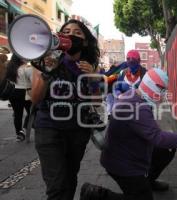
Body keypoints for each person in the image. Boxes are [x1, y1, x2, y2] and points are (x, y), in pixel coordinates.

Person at [80, 68, 177, 200]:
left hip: (123, 153)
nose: (163, 95)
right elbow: (158, 137)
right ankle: (95, 194)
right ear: (152, 87)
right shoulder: (139, 107)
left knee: (167, 150)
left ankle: (147, 182)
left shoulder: (134, 95)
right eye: (162, 90)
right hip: (121, 164)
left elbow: (151, 133)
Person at [31, 19, 100, 200]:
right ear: (59, 37)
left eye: (77, 33)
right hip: (48, 129)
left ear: (85, 41)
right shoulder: (43, 59)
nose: (71, 35)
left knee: (70, 179)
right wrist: (47, 72)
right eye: (66, 31)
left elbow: (97, 101)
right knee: (57, 185)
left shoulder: (91, 65)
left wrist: (93, 77)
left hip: (77, 130)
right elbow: (35, 99)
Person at [108, 50, 176, 191]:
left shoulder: (145, 74)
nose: (131, 61)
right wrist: (119, 94)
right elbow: (114, 88)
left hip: (143, 115)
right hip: (126, 122)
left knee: (164, 149)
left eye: (134, 59)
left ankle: (148, 180)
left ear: (139, 60)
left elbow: (156, 94)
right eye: (129, 59)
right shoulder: (122, 74)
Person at [5, 54, 32, 142]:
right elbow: (33, 81)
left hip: (13, 92)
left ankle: (19, 134)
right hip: (26, 92)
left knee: (17, 114)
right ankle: (24, 129)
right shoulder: (27, 68)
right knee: (30, 112)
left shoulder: (9, 68)